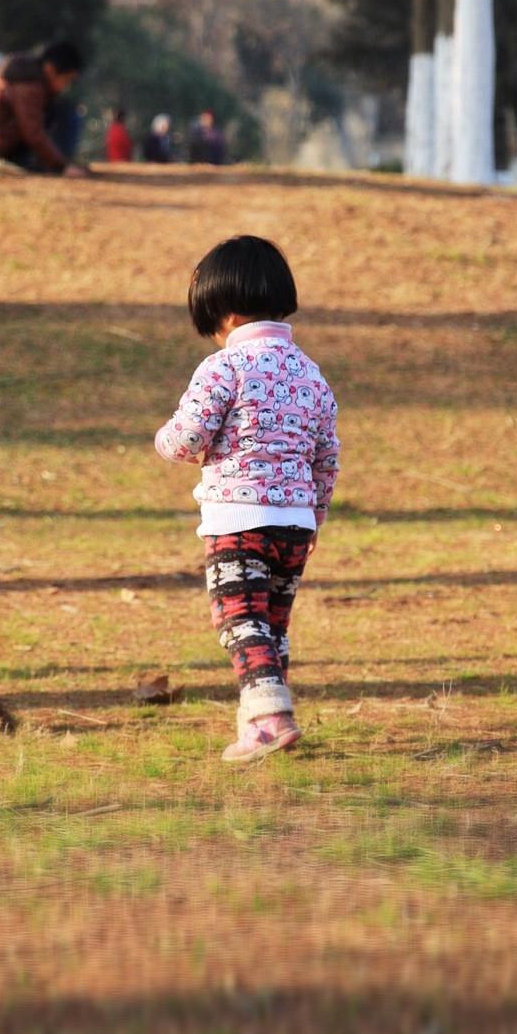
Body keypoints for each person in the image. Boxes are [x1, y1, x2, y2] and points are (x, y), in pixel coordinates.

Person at [154, 236, 340, 764]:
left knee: (239, 619)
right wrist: (315, 514)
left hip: (238, 519)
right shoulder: (311, 373)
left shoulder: (222, 368)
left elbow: (189, 438)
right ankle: (260, 720)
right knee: (270, 624)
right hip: (297, 523)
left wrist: (164, 439)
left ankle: (270, 719)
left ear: (227, 314)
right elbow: (327, 456)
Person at [0, 40, 88, 176]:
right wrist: (61, 167)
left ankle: (55, 162)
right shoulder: (29, 87)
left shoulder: (20, 75)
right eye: (67, 80)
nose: (65, 87)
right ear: (50, 69)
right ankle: (61, 164)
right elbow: (33, 132)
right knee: (66, 112)